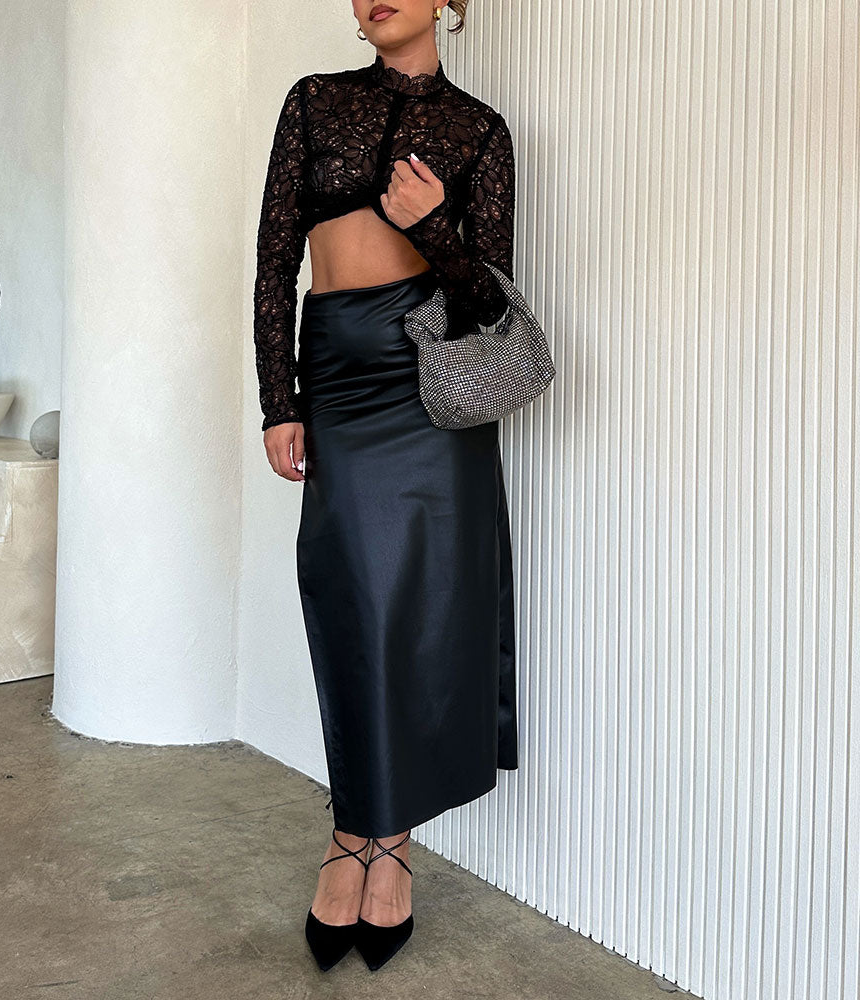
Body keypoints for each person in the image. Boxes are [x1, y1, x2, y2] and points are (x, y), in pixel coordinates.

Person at [252, 0, 518, 972]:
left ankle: (389, 841)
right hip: (339, 382)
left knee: (425, 611)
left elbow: (486, 292)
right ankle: (348, 831)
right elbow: (276, 257)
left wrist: (430, 221)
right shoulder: (315, 103)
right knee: (348, 601)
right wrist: (279, 401)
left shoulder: (479, 131)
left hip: (431, 389)